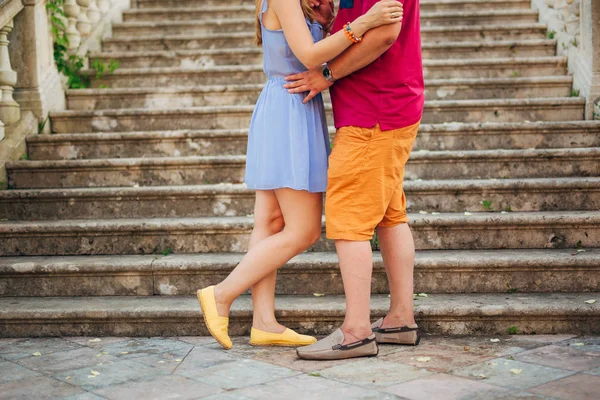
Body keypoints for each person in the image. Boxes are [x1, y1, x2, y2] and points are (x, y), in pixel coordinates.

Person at [196, 0, 404, 350]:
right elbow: (310, 57)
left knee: (270, 222)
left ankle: (264, 322)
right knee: (304, 229)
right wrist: (363, 23)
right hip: (288, 109)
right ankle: (221, 294)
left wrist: (329, 20)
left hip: (293, 105)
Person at [285, 0, 425, 360]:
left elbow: (385, 33)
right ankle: (399, 319)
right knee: (390, 215)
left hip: (373, 112)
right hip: (384, 107)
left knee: (348, 220)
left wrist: (326, 74)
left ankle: (357, 332)